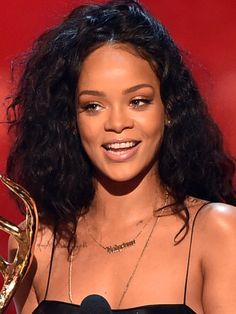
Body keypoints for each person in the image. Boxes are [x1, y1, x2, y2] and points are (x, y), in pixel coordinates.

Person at [7, 0, 236, 313]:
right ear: (70, 119)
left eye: (138, 101)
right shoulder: (37, 245)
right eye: (93, 105)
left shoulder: (219, 233)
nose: (117, 124)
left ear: (168, 109)